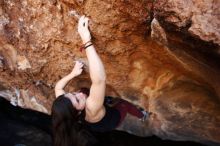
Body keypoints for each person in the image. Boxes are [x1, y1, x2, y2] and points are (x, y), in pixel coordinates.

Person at [51, 16, 150, 146]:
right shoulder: (91, 108)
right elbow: (99, 80)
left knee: (84, 90)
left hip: (94, 123)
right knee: (123, 104)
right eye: (78, 99)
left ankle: (105, 100)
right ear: (79, 111)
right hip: (110, 121)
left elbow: (58, 88)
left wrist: (73, 73)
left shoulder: (68, 108)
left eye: (72, 94)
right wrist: (86, 40)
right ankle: (142, 115)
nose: (78, 94)